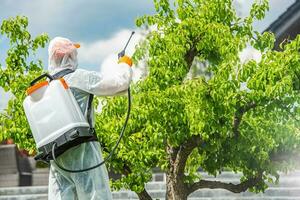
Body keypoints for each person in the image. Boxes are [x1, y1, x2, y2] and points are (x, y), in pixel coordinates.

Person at [47, 37, 132, 200]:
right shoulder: (78, 77)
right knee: (96, 196)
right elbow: (119, 84)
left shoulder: (46, 85)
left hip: (57, 156)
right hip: (83, 151)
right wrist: (124, 64)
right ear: (70, 56)